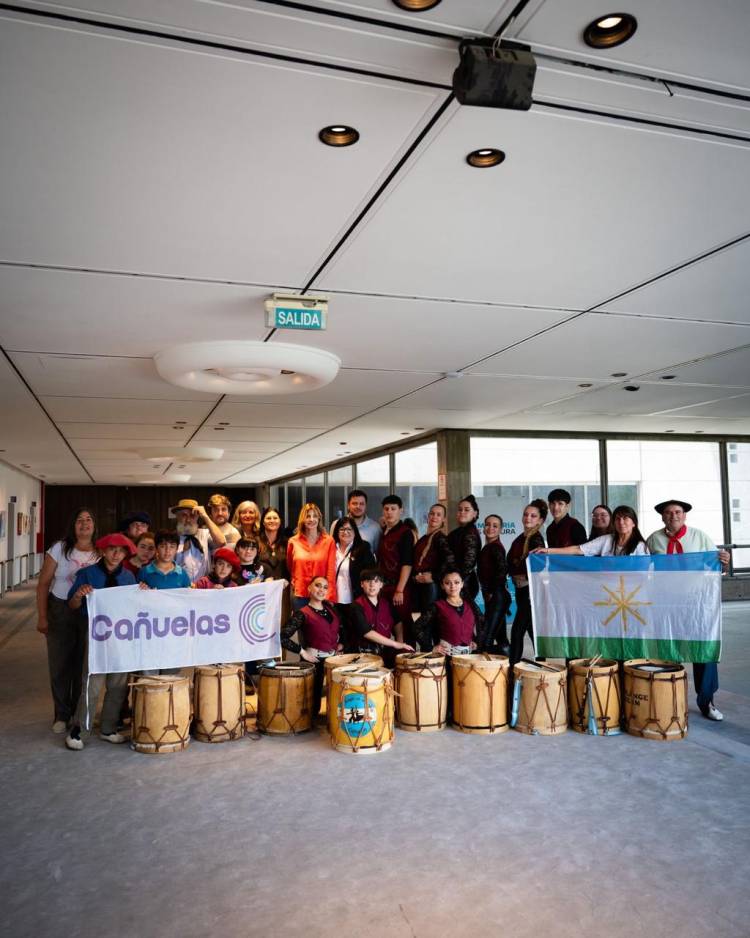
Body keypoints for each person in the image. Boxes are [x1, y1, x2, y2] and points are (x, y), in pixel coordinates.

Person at [646, 499, 731, 722]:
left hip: (696, 602)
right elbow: (645, 570)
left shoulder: (699, 537)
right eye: (668, 512)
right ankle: (666, 699)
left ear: (684, 515)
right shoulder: (654, 539)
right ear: (662, 517)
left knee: (703, 650)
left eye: (677, 512)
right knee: (666, 649)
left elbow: (716, 568)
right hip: (666, 602)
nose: (673, 515)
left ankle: (706, 701)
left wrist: (724, 561)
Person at [64, 533, 138, 750]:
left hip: (122, 636)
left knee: (118, 684)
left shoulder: (128, 577)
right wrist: (79, 595)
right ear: (103, 551)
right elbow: (72, 605)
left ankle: (108, 727)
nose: (116, 554)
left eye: (121, 550)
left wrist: (141, 593)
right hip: (96, 636)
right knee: (92, 683)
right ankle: (80, 729)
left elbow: (134, 606)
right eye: (112, 549)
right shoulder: (87, 573)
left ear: (125, 554)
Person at [36, 507, 99, 734]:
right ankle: (61, 714)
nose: (84, 523)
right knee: (60, 664)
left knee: (82, 665)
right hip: (59, 608)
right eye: (79, 520)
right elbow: (43, 584)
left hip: (87, 613)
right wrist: (42, 616)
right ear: (73, 525)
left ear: (94, 525)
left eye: (88, 519)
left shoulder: (99, 552)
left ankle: (76, 713)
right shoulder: (60, 549)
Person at [281, 576, 343, 715]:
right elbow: (282, 637)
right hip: (314, 661)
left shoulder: (332, 610)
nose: (321, 590)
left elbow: (338, 630)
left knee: (335, 704)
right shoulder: (302, 613)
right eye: (318, 585)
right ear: (309, 588)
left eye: (325, 587)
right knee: (311, 708)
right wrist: (302, 652)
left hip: (333, 661)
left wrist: (340, 645)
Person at [507, 499, 548, 667]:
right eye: (525, 514)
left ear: (540, 520)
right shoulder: (520, 538)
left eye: (533, 515)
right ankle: (541, 666)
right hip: (520, 591)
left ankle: (512, 668)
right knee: (532, 630)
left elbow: (539, 566)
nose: (528, 518)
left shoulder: (536, 539)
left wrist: (525, 577)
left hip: (531, 592)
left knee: (517, 631)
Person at [350, 569, 414, 666]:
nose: (372, 585)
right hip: (364, 654)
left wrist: (399, 640)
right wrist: (395, 644)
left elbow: (398, 621)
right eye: (368, 581)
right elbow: (367, 632)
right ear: (362, 584)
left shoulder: (387, 604)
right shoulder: (356, 605)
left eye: (376, 581)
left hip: (385, 651)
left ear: (381, 585)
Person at [415, 567, 486, 655]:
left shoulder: (471, 605)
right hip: (446, 658)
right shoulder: (437, 606)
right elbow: (416, 627)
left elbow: (483, 623)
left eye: (456, 582)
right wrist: (430, 647)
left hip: (469, 658)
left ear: (462, 584)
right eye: (448, 583)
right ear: (442, 586)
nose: (452, 586)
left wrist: (476, 642)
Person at [538, 505, 649, 557]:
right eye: (618, 519)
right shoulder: (606, 540)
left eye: (625, 518)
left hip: (631, 591)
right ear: (613, 522)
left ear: (634, 523)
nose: (621, 522)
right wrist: (547, 551)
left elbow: (645, 573)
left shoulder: (641, 547)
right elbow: (578, 549)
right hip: (607, 589)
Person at [376, 495, 415, 641]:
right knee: (391, 622)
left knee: (404, 623)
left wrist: (400, 590)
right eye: (386, 509)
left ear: (401, 511)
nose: (389, 512)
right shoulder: (385, 530)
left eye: (393, 509)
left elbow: (407, 563)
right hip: (385, 586)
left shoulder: (405, 533)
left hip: (399, 587)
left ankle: (409, 657)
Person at [287, 503, 336, 610]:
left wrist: (329, 595)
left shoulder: (328, 541)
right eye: (308, 516)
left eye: (314, 516)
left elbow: (331, 571)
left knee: (319, 626)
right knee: (300, 625)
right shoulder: (293, 541)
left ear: (319, 519)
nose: (311, 519)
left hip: (321, 595)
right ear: (302, 519)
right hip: (300, 594)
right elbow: (291, 567)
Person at [169, 498, 226, 584]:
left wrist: (205, 516)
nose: (188, 520)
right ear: (177, 516)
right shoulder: (171, 538)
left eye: (192, 515)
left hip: (203, 589)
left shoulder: (205, 534)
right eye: (184, 515)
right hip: (179, 588)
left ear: (198, 517)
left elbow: (221, 541)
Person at [412, 503, 454, 614]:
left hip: (431, 586)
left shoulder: (441, 538)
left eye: (438, 515)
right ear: (428, 516)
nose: (434, 517)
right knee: (418, 619)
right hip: (418, 584)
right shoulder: (423, 539)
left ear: (443, 519)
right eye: (432, 513)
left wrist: (434, 576)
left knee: (429, 620)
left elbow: (450, 560)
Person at [478, 514, 511, 653]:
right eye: (487, 524)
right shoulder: (488, 547)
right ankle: (510, 664)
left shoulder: (496, 548)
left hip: (497, 597)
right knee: (501, 638)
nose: (490, 528)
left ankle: (503, 665)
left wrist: (490, 592)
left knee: (486, 639)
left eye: (495, 525)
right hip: (496, 597)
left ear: (500, 530)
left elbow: (502, 571)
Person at [332, 517, 376, 605]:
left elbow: (371, 573)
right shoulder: (331, 548)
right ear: (337, 532)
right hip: (334, 601)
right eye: (342, 529)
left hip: (356, 601)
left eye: (349, 529)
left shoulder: (363, 548)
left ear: (355, 531)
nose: (345, 532)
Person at [258, 506, 290, 623]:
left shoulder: (287, 542)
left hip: (282, 590)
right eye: (268, 518)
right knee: (261, 624)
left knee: (281, 623)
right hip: (261, 590)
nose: (272, 520)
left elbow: (291, 566)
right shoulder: (256, 541)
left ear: (280, 521)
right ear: (263, 522)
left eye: (275, 518)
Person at [447, 495, 482, 600]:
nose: (462, 512)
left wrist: (456, 582)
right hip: (456, 582)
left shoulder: (470, 532)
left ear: (475, 513)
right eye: (460, 509)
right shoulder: (459, 532)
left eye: (466, 510)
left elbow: (468, 564)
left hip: (464, 583)